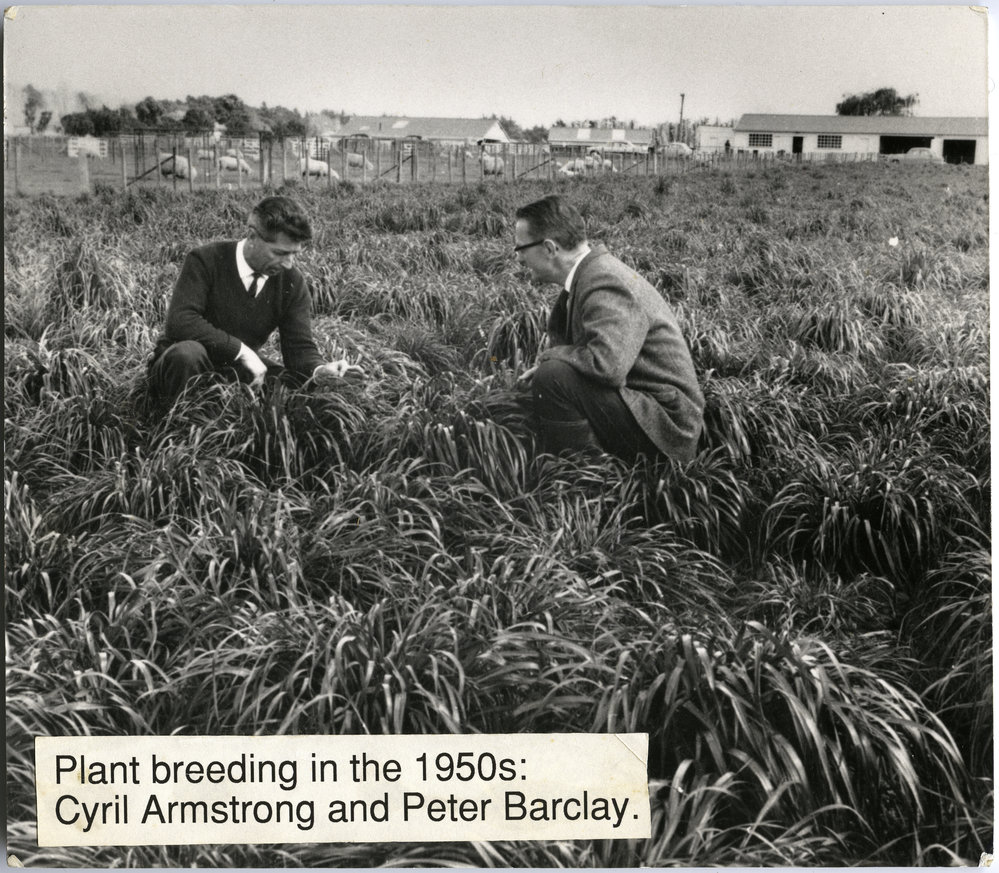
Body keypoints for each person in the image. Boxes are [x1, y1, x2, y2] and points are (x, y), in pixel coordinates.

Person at [514, 194, 703, 462]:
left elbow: (608, 366)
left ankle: (590, 481)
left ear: (549, 248)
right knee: (551, 376)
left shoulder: (602, 279)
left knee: (552, 376)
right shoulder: (590, 274)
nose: (519, 258)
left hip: (667, 429)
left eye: (521, 248)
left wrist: (550, 358)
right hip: (647, 409)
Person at [148, 195, 358, 401]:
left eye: (294, 254)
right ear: (252, 237)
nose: (288, 264)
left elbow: (299, 347)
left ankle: (245, 426)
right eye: (279, 253)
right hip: (183, 366)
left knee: (291, 385)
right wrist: (242, 352)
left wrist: (320, 370)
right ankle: (179, 428)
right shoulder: (205, 259)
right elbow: (180, 321)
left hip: (237, 369)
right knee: (187, 354)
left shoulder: (292, 282)